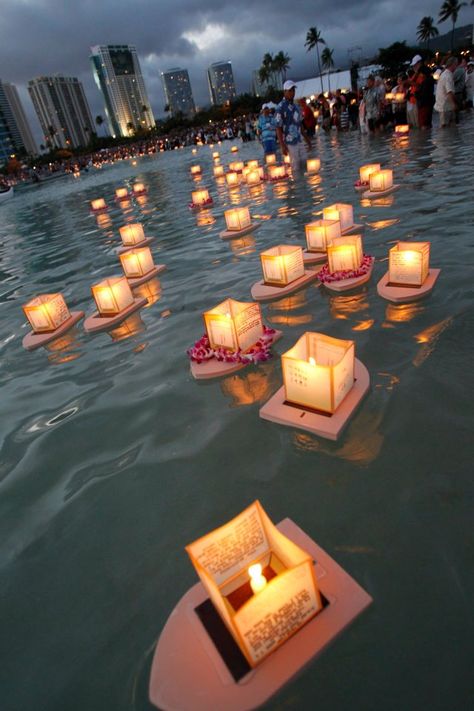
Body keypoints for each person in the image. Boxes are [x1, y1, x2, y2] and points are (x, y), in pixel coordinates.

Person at [275, 80, 312, 170]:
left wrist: (307, 140)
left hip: (299, 140)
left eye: (293, 90)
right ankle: (297, 183)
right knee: (295, 167)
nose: (292, 93)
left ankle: (303, 184)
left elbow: (300, 125)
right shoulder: (280, 107)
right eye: (290, 90)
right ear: (284, 92)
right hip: (289, 143)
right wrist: (282, 145)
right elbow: (278, 127)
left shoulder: (296, 107)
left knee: (305, 164)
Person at [411, 54, 435, 129]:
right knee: (427, 123)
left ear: (419, 63)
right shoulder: (426, 71)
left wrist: (408, 83)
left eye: (414, 65)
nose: (413, 67)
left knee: (424, 124)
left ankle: (425, 139)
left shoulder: (422, 72)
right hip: (427, 100)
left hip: (424, 101)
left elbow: (421, 85)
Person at [434, 56, 458, 127]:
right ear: (452, 64)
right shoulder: (448, 76)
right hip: (446, 107)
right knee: (447, 128)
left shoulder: (444, 74)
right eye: (456, 64)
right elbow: (449, 92)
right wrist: (454, 104)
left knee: (447, 128)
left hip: (442, 106)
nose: (456, 67)